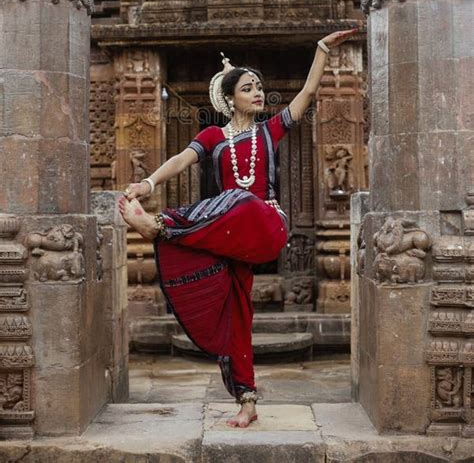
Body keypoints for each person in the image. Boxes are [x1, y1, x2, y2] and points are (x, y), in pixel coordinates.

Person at [119, 29, 358, 427]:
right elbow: (181, 159)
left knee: (243, 198)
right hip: (231, 239)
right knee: (237, 316)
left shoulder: (270, 130)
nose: (259, 93)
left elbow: (306, 95)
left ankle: (160, 227)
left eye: (260, 87)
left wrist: (321, 50)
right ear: (231, 98)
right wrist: (147, 184)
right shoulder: (213, 137)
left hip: (266, 224)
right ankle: (246, 401)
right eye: (249, 88)